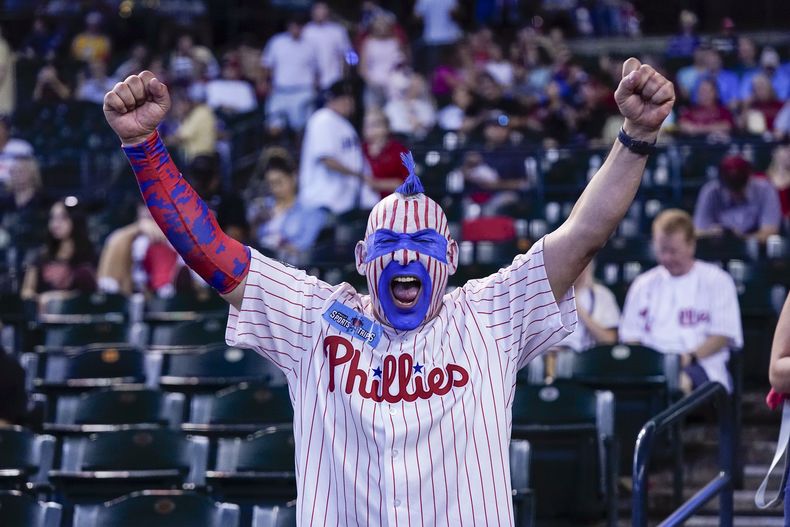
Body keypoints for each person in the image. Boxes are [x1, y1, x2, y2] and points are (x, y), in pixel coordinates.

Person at [103, 57, 674, 525]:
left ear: (450, 258)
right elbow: (212, 254)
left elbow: (584, 236)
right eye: (389, 242)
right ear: (360, 260)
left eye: (424, 239)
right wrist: (146, 148)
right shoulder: (316, 318)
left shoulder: (491, 313)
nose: (406, 254)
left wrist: (636, 136)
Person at [620, 209, 743, 393]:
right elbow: (630, 336)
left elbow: (722, 336)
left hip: (701, 365)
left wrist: (689, 357)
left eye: (673, 251)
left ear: (691, 245)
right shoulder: (642, 284)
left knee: (676, 383)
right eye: (662, 250)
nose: (667, 258)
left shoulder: (717, 280)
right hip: (651, 366)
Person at [298, 80, 378, 216]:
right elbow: (326, 158)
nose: (351, 103)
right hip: (323, 201)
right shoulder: (322, 119)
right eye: (347, 99)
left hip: (342, 201)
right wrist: (358, 175)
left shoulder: (342, 123)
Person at [250, 157, 327, 266]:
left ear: (293, 178)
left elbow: (305, 247)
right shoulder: (263, 206)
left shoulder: (309, 210)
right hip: (260, 261)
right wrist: (256, 222)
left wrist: (279, 247)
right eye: (271, 184)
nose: (275, 189)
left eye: (279, 182)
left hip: (289, 265)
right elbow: (254, 239)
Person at [21, 200, 97, 302]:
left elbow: (94, 292)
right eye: (53, 218)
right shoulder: (40, 256)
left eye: (63, 218)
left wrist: (58, 297)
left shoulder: (89, 255)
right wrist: (39, 300)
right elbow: (27, 291)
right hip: (44, 313)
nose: (56, 224)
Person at [694, 154, 782, 243]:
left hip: (757, 251)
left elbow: (770, 232)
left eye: (740, 188)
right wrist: (711, 233)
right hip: (718, 249)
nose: (736, 194)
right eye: (731, 188)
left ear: (750, 177)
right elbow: (698, 232)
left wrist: (741, 238)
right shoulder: (710, 192)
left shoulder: (765, 189)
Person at [261, 15, 319, 135]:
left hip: (302, 92)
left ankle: (300, 153)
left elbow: (316, 71)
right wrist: (265, 82)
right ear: (288, 27)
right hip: (280, 91)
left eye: (298, 27)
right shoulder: (276, 42)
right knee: (273, 127)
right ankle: (276, 153)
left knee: (302, 130)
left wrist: (315, 89)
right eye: (293, 27)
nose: (296, 30)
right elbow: (267, 66)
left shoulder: (310, 45)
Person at [555, 261, 619, 352]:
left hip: (587, 358)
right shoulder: (549, 293)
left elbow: (609, 340)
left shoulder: (602, 295)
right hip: (551, 357)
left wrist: (578, 306)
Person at [303, 2, 352, 90]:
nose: (320, 12)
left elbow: (346, 54)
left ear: (328, 11)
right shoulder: (306, 31)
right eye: (317, 10)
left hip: (334, 78)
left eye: (323, 9)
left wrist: (345, 77)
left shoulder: (338, 31)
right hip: (308, 81)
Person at [362, 109, 409, 199]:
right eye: (367, 126)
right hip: (364, 205)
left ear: (386, 128)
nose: (370, 129)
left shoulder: (399, 150)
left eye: (375, 125)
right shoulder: (359, 149)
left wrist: (377, 184)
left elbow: (407, 184)